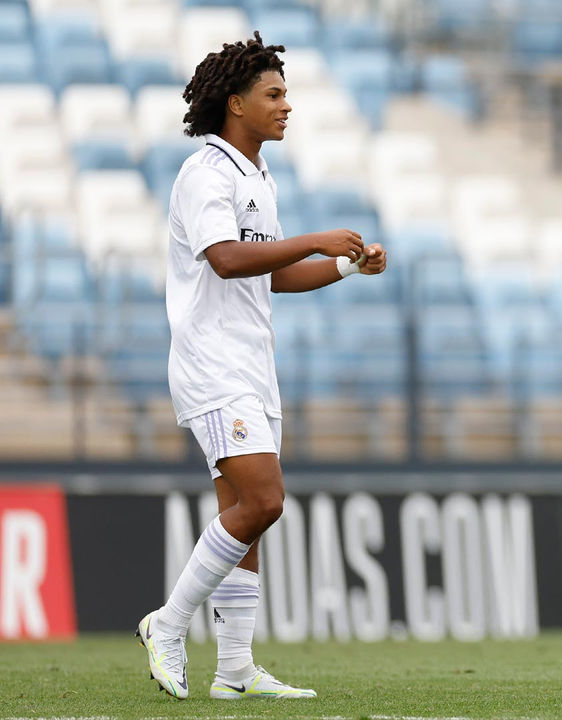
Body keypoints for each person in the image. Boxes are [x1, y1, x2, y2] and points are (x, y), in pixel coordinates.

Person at [136, 32, 386, 700]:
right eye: (273, 94)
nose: (286, 106)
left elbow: (265, 278)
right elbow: (224, 258)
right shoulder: (206, 174)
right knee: (266, 500)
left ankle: (235, 672)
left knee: (245, 512)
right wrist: (313, 237)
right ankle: (169, 623)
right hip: (212, 365)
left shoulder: (256, 178)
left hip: (250, 364)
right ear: (235, 103)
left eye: (287, 94)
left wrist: (342, 264)